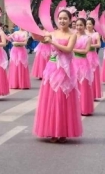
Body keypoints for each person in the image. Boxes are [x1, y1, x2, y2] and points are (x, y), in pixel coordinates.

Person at [33, 9, 81, 143]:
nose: (62, 21)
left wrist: (52, 42)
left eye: (65, 18)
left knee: (62, 99)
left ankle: (62, 131)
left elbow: (68, 50)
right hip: (52, 68)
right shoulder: (52, 33)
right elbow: (37, 37)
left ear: (70, 20)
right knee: (51, 99)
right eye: (60, 18)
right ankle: (52, 131)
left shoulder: (73, 35)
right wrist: (30, 26)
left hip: (65, 70)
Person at [72, 18, 95, 116]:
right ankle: (73, 109)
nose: (78, 27)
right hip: (73, 62)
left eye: (81, 25)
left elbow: (86, 51)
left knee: (84, 85)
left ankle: (84, 108)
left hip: (83, 63)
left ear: (85, 26)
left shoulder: (88, 38)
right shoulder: (72, 36)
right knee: (74, 85)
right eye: (77, 25)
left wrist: (72, 49)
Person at [85, 18, 103, 100]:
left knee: (93, 74)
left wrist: (89, 45)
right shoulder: (83, 33)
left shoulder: (96, 34)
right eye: (87, 24)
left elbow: (99, 45)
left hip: (92, 55)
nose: (88, 25)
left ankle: (93, 93)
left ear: (93, 25)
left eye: (90, 24)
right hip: (84, 55)